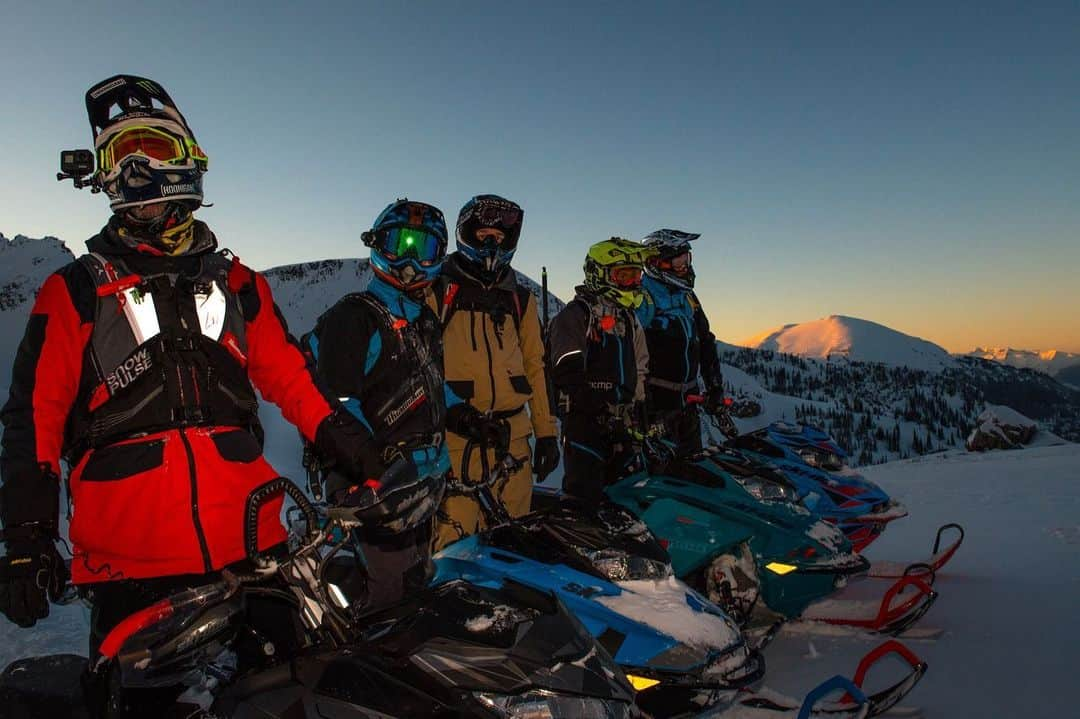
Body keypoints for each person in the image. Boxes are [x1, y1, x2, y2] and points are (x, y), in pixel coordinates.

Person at [0, 75, 376, 717]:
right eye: (120, 157)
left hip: (255, 540)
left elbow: (289, 377)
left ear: (186, 157)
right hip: (132, 558)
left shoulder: (238, 283)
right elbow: (36, 411)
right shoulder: (75, 290)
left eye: (147, 146)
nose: (136, 168)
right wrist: (27, 532)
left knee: (285, 694)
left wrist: (339, 438)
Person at [303, 199, 454, 612]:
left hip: (422, 485)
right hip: (378, 492)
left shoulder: (423, 319)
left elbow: (432, 381)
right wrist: (370, 461)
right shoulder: (356, 318)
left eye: (421, 250)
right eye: (396, 245)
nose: (408, 261)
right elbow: (330, 403)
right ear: (376, 246)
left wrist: (464, 415)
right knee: (389, 605)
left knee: (420, 588)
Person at [432, 195, 558, 549]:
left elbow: (536, 365)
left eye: (500, 238)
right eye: (484, 233)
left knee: (513, 548)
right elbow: (419, 363)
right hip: (459, 443)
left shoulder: (520, 298)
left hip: (513, 442)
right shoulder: (438, 290)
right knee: (455, 550)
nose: (491, 244)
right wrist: (449, 409)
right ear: (466, 234)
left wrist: (546, 432)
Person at [546, 238, 653, 503]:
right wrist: (595, 407)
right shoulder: (576, 315)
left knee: (630, 498)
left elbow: (640, 366)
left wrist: (639, 406)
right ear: (600, 273)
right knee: (585, 500)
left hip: (624, 425)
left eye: (635, 275)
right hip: (585, 425)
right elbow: (565, 370)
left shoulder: (628, 318)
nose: (632, 282)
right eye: (623, 275)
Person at [637, 229, 736, 452]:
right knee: (662, 477)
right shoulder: (642, 299)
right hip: (656, 407)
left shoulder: (687, 296)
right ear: (657, 263)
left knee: (695, 468)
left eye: (687, 259)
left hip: (687, 403)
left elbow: (706, 341)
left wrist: (714, 387)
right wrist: (640, 402)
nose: (685, 266)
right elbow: (628, 350)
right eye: (679, 261)